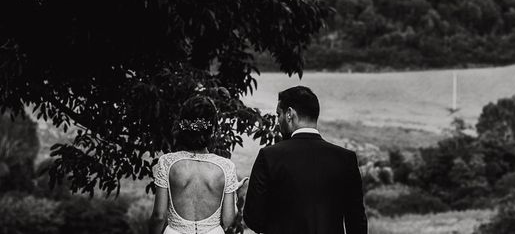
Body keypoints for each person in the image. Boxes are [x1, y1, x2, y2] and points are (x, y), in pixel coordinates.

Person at [243, 86, 368, 234]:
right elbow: (357, 221)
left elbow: (253, 218)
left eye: (278, 114)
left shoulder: (269, 156)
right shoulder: (346, 159)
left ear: (289, 114)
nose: (278, 121)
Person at [148, 95, 248, 234]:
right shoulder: (226, 167)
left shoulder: (167, 163)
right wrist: (234, 192)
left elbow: (159, 217)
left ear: (182, 127)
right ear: (213, 130)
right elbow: (228, 220)